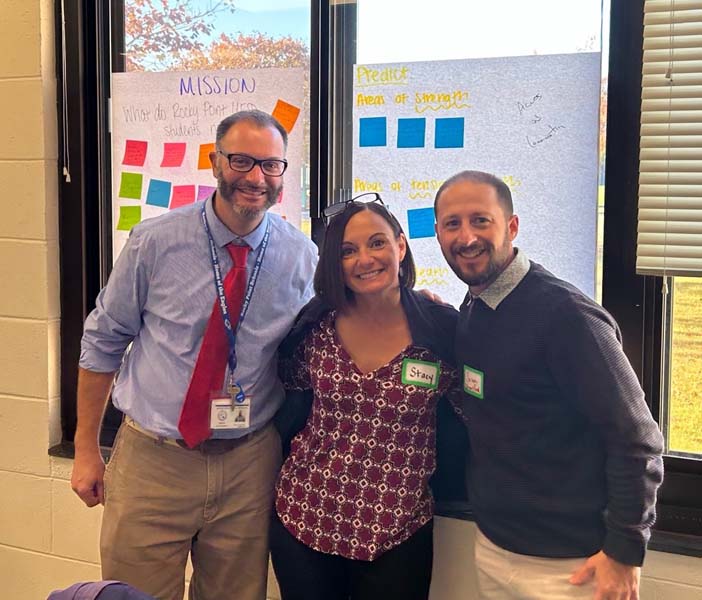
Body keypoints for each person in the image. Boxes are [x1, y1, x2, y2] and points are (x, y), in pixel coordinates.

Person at [71, 110, 318, 600]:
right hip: (153, 459)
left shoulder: (300, 256)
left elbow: (330, 329)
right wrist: (84, 451)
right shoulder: (155, 243)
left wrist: (413, 300)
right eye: (242, 161)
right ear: (214, 162)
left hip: (249, 462)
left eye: (271, 165)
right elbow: (103, 340)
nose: (255, 178)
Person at [433, 170, 664, 600]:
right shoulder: (476, 306)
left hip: (572, 568)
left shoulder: (567, 317)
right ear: (438, 233)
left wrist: (625, 551)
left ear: (512, 226)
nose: (466, 237)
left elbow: (638, 440)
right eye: (452, 224)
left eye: (481, 220)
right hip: (494, 548)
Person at [269, 195, 460, 600]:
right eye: (347, 251)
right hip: (306, 519)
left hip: (397, 531)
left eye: (377, 243)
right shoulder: (314, 326)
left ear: (401, 246)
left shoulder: (441, 333)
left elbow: (483, 410)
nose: (365, 259)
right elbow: (283, 394)